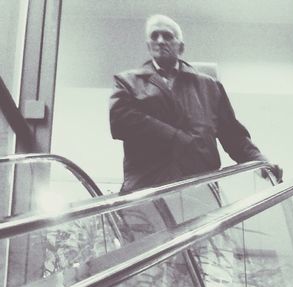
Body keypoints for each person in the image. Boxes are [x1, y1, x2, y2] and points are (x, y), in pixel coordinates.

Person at [109, 14, 281, 193]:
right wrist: (178, 138)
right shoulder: (127, 82)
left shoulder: (209, 86)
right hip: (147, 190)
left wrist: (261, 161)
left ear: (181, 47)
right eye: (154, 36)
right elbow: (120, 122)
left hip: (199, 188)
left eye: (167, 36)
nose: (160, 41)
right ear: (148, 45)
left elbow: (233, 135)